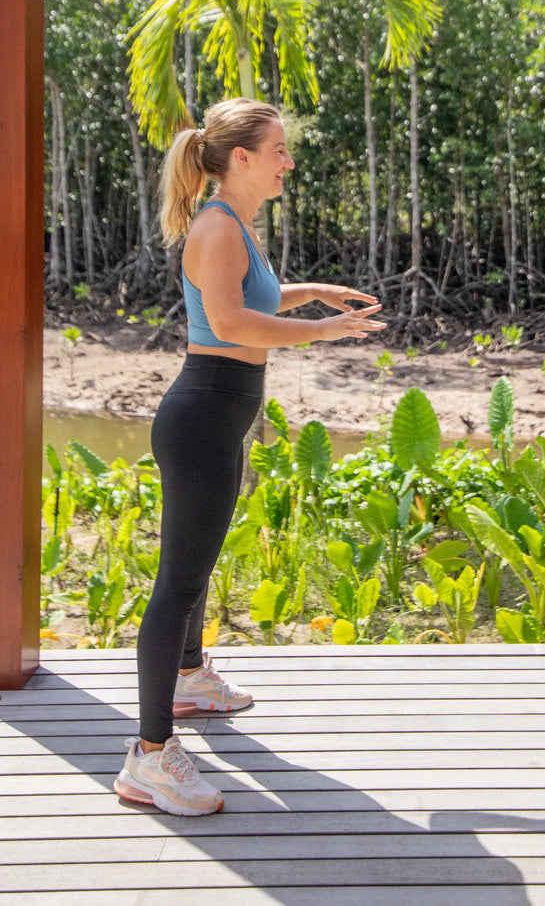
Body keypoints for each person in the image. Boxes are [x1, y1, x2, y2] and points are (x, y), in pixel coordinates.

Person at [114, 98, 385, 816]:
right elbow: (231, 321)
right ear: (241, 158)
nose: (287, 161)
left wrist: (314, 293)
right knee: (177, 584)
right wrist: (326, 333)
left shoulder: (233, 223)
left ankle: (191, 676)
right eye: (278, 150)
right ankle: (148, 757)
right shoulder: (216, 226)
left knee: (197, 567)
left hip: (217, 414)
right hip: (202, 414)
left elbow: (245, 298)